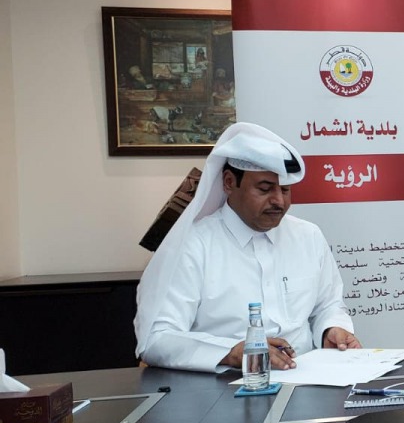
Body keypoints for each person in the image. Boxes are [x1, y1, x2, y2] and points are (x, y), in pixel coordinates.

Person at [135, 122, 360, 372]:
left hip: (306, 380)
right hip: (222, 389)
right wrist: (231, 353)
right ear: (230, 182)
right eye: (264, 189)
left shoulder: (308, 236)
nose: (278, 201)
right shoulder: (193, 245)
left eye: (285, 190)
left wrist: (332, 329)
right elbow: (156, 338)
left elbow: (328, 305)